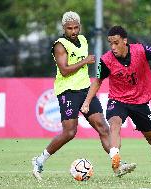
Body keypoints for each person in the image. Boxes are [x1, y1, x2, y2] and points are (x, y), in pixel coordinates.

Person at [32, 12, 136, 181]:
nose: (73, 31)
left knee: (103, 127)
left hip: (85, 90)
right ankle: (39, 160)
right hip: (67, 91)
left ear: (79, 27)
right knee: (70, 132)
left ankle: (117, 165)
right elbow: (64, 70)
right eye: (69, 28)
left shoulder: (84, 40)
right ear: (63, 29)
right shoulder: (60, 45)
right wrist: (85, 61)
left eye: (75, 27)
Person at [81, 25, 151, 183]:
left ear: (125, 41)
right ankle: (115, 156)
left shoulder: (141, 50)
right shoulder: (106, 60)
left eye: (116, 43)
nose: (113, 47)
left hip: (140, 101)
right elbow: (97, 81)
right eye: (110, 43)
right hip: (118, 99)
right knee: (114, 124)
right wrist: (87, 102)